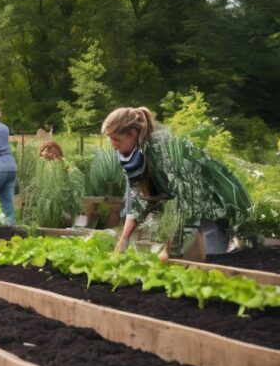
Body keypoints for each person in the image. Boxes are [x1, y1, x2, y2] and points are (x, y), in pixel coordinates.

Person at [101, 107, 251, 260]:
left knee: (206, 265)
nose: (113, 145)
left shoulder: (168, 153)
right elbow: (137, 203)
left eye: (116, 139)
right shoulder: (137, 156)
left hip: (210, 216)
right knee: (177, 260)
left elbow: (186, 208)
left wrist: (168, 249)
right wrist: (123, 241)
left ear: (132, 133)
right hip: (188, 215)